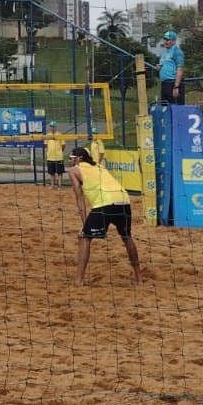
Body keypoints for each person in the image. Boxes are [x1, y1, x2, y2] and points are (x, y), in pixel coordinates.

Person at [67, 147, 142, 285]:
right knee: (127, 237)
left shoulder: (74, 170)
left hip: (105, 202)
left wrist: (84, 226)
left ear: (78, 159)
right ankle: (139, 278)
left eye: (71, 158)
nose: (70, 161)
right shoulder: (100, 166)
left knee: (84, 237)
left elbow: (79, 198)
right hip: (124, 200)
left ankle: (79, 280)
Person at [156, 30, 185, 105]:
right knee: (165, 107)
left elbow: (180, 69)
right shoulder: (165, 51)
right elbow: (165, 63)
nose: (165, 41)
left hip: (173, 83)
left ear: (174, 41)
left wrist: (176, 87)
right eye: (165, 39)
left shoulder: (177, 52)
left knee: (175, 108)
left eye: (168, 40)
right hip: (164, 83)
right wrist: (159, 66)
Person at [43, 122, 66, 189]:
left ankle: (59, 186)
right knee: (51, 172)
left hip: (59, 156)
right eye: (51, 126)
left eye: (53, 126)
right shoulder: (47, 135)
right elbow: (46, 145)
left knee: (59, 172)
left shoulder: (60, 135)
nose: (52, 128)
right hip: (50, 156)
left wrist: (59, 151)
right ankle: (52, 185)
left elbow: (63, 145)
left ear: (56, 127)